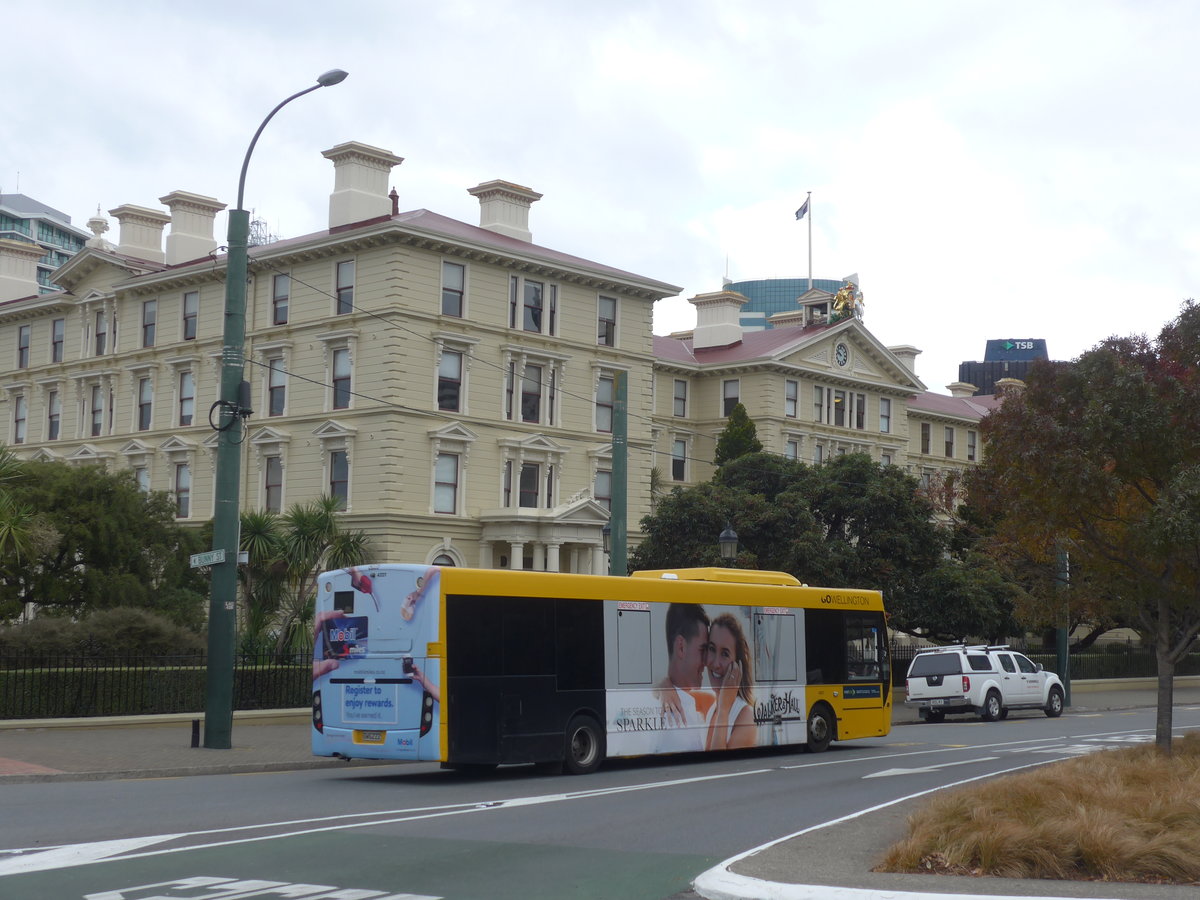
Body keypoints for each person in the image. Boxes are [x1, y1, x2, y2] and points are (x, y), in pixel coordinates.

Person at [652, 603, 713, 751]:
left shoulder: (692, 703)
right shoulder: (677, 718)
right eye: (702, 650)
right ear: (681, 647)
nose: (707, 661)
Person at [704, 613, 758, 751]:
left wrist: (723, 711)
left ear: (737, 665)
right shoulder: (712, 709)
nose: (716, 664)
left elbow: (720, 764)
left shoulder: (746, 717)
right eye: (711, 649)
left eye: (725, 654)